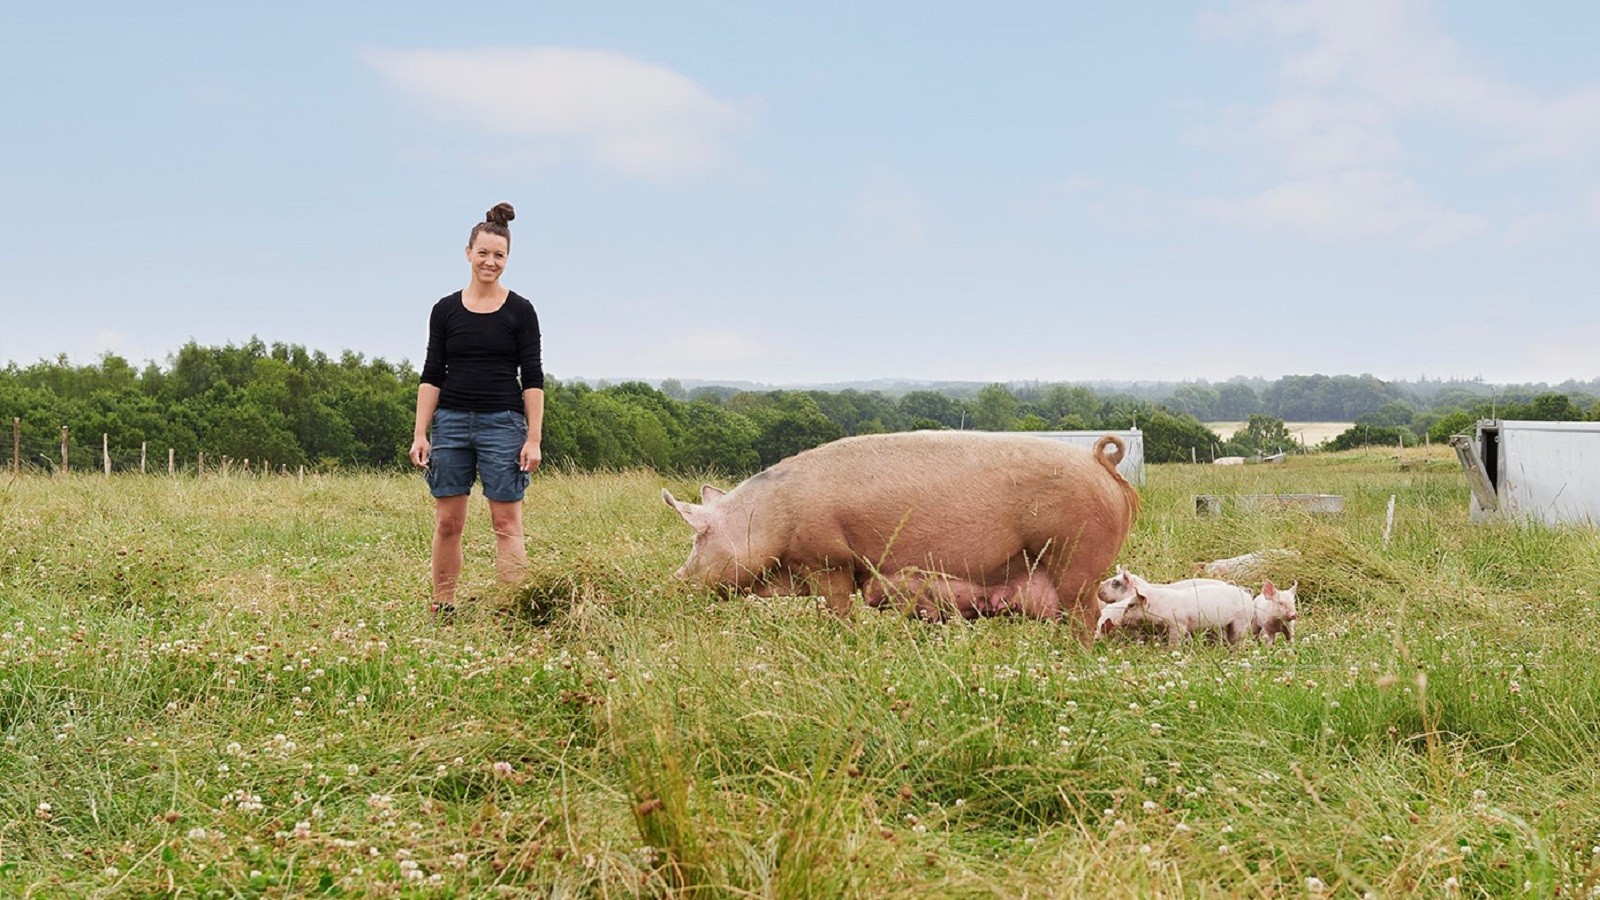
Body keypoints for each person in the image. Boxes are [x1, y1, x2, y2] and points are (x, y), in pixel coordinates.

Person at [409, 202, 544, 613]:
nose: (490, 261)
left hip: (503, 425)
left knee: (506, 524)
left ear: (508, 258)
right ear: (468, 253)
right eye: (483, 253)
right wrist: (421, 433)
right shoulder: (445, 310)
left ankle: (511, 609)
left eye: (499, 255)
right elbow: (432, 373)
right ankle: (443, 605)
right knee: (449, 523)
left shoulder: (521, 311)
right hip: (450, 424)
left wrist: (533, 438)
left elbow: (533, 378)